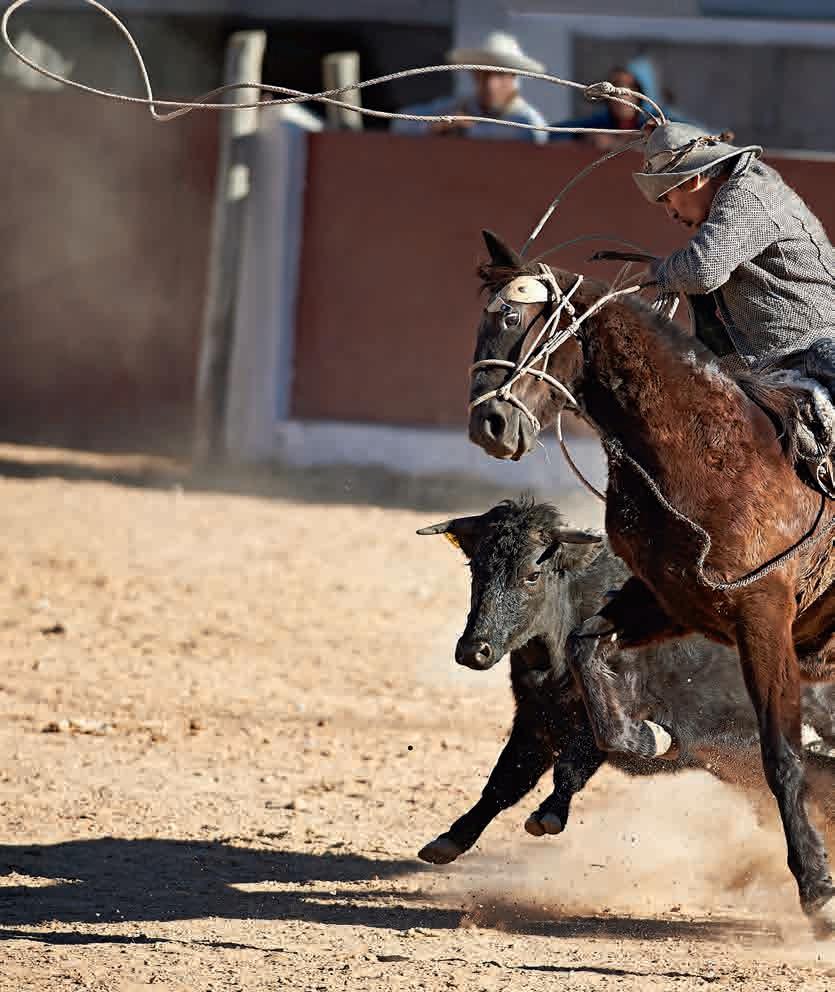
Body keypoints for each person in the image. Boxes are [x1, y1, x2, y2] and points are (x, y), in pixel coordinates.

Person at [633, 121, 835, 489]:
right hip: (775, 362)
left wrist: (660, 271)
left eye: (667, 196)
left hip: (811, 347)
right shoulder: (740, 195)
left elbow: (703, 269)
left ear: (694, 180)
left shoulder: (749, 193)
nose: (669, 212)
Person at [390, 32, 548, 145]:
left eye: (500, 75)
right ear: (474, 75)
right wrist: (434, 127)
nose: (491, 84)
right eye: (484, 74)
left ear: (513, 77)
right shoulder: (461, 105)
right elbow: (400, 122)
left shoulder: (527, 120)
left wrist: (465, 129)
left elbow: (528, 134)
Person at [550, 58, 671, 151]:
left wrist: (664, 132)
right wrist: (586, 137)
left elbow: (681, 134)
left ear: (641, 93)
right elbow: (553, 133)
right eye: (615, 86)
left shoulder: (656, 120)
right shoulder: (599, 122)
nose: (621, 93)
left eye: (630, 86)